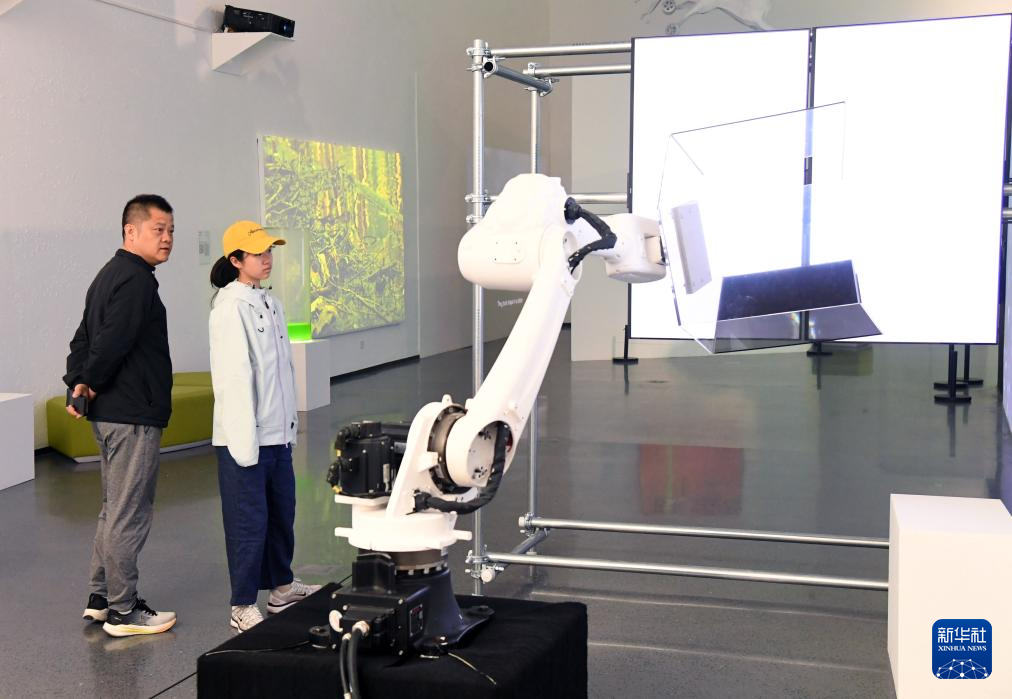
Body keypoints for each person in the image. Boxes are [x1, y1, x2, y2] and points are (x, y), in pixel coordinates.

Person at [65, 194, 178, 637]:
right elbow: (113, 339)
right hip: (132, 415)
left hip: (112, 414)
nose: (167, 238)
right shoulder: (136, 280)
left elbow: (82, 339)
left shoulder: (108, 275)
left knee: (113, 508)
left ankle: (100, 598)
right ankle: (123, 610)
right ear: (131, 231)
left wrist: (78, 383)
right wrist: (89, 381)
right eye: (158, 230)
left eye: (171, 231)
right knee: (129, 512)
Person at [208, 220, 320, 632]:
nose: (267, 258)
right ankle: (241, 606)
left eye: (269, 250)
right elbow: (234, 379)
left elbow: (282, 371)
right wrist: (244, 446)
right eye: (257, 253)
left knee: (280, 516)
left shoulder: (270, 302)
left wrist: (289, 429)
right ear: (236, 260)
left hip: (278, 436)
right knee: (248, 523)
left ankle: (282, 588)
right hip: (246, 440)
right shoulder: (230, 307)